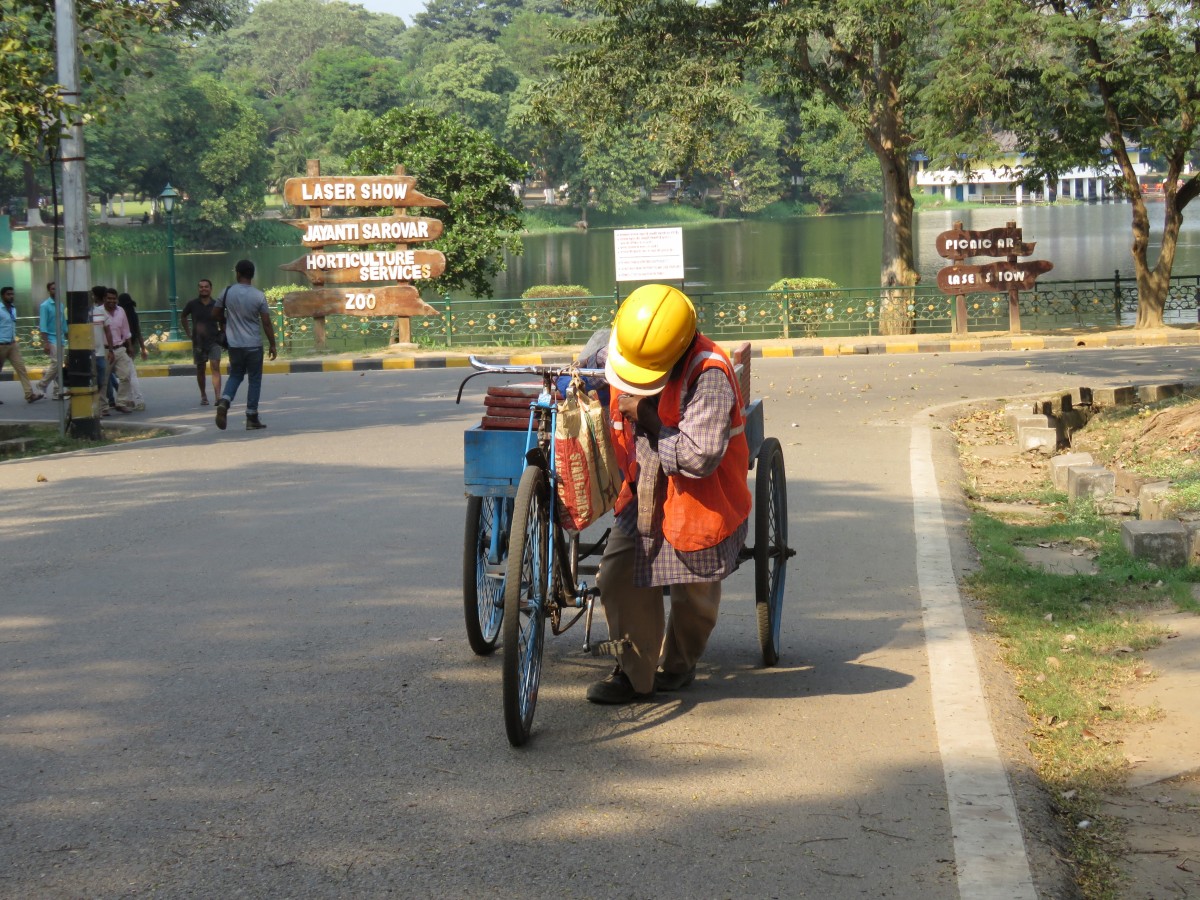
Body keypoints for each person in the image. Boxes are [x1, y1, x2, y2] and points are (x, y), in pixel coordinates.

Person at [587, 284, 752, 704]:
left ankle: (678, 666)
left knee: (694, 591)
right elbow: (595, 365)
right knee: (616, 576)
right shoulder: (626, 346)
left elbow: (698, 457)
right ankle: (633, 674)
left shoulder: (709, 374)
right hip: (642, 487)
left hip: (702, 499)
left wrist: (646, 415)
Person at [214, 259, 276, 431]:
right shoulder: (258, 295)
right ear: (252, 275)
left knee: (236, 375)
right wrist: (272, 344)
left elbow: (215, 313)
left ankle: (225, 400)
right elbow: (266, 322)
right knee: (254, 380)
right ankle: (251, 417)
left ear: (238, 273)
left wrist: (225, 321)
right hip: (254, 344)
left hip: (234, 344)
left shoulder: (227, 292)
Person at [181, 278, 223, 405]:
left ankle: (217, 397)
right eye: (201, 287)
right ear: (198, 289)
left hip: (214, 341)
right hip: (198, 342)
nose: (204, 289)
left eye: (206, 287)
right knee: (200, 369)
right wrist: (188, 333)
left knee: (215, 367)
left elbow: (222, 320)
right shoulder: (192, 304)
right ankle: (203, 395)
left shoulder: (216, 304)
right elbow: (183, 316)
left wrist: (223, 334)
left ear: (211, 289)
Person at [0, 285, 44, 404]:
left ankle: (29, 395)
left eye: (12, 294)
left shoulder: (13, 309)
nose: (11, 296)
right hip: (1, 345)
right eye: (8, 294)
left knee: (21, 369)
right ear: (3, 296)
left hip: (12, 344)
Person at [103, 288, 136, 413]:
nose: (111, 301)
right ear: (104, 299)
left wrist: (130, 346)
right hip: (105, 350)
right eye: (109, 298)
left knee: (126, 375)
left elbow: (125, 330)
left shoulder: (120, 310)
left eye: (114, 298)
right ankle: (103, 407)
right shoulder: (99, 312)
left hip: (120, 348)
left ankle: (121, 402)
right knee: (103, 380)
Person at [117, 292, 146, 410]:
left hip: (124, 346)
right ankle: (130, 399)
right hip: (133, 345)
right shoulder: (134, 315)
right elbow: (138, 332)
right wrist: (143, 348)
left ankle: (138, 400)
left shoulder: (120, 315)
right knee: (128, 373)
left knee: (130, 374)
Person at [37, 281, 65, 399]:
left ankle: (57, 390)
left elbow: (63, 323)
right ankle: (42, 384)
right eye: (53, 289)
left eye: (57, 288)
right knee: (56, 363)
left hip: (61, 338)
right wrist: (46, 343)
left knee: (59, 364)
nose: (55, 291)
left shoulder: (61, 304)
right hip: (51, 338)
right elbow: (43, 325)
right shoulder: (45, 306)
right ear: (49, 290)